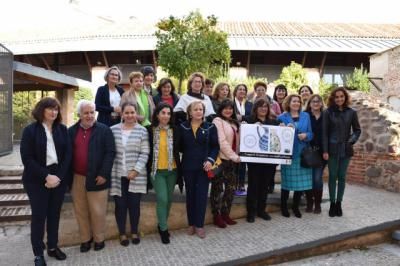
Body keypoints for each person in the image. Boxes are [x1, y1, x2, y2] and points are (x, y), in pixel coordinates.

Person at [20, 97, 71, 266]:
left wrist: (59, 177)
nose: (54, 112)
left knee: (54, 215)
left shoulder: (63, 130)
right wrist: (46, 176)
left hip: (58, 177)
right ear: (41, 110)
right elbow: (27, 159)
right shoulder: (30, 131)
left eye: (56, 109)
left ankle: (52, 247)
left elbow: (68, 156)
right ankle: (38, 253)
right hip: (36, 180)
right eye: (50, 108)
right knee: (39, 216)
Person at [68, 100, 116, 252]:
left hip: (98, 177)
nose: (89, 116)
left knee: (98, 211)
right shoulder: (71, 131)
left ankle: (99, 239)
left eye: (91, 112)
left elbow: (110, 153)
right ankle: (85, 240)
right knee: (81, 210)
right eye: (86, 113)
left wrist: (104, 173)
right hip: (77, 177)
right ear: (79, 114)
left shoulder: (104, 130)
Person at [110, 102, 149, 246]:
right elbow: (109, 152)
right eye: (126, 113)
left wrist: (136, 170)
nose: (130, 115)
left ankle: (134, 231)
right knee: (120, 205)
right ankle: (122, 234)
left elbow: (145, 152)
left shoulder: (142, 131)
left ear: (136, 114)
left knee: (134, 205)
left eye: (132, 112)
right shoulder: (112, 130)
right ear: (122, 114)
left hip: (136, 175)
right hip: (117, 173)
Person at [179, 101, 219, 238]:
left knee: (201, 196)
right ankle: (191, 224)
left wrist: (210, 160)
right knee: (190, 196)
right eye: (195, 109)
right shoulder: (182, 127)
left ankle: (200, 225)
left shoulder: (210, 127)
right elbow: (178, 146)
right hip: (188, 167)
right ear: (189, 112)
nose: (198, 112)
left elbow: (215, 147)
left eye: (200, 109)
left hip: (204, 167)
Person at [322, 87, 361, 217]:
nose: (339, 99)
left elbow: (357, 130)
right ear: (333, 98)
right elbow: (324, 133)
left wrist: (351, 141)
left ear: (345, 98)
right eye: (337, 97)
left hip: (346, 148)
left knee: (342, 176)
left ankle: (339, 203)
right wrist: (325, 150)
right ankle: (332, 204)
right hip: (332, 149)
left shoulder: (352, 112)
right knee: (333, 176)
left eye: (341, 96)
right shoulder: (328, 112)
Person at [148, 103, 182, 244]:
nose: (166, 116)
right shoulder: (149, 130)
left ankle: (162, 223)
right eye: (163, 113)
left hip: (172, 171)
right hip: (157, 172)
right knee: (162, 199)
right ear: (157, 114)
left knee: (168, 200)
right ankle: (163, 228)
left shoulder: (176, 130)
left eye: (168, 113)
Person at [243, 98, 280, 223]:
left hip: (269, 161)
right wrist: (251, 126)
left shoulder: (274, 122)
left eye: (266, 106)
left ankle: (261, 210)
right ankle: (251, 212)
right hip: (254, 160)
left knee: (265, 185)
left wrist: (285, 128)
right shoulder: (249, 120)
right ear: (256, 108)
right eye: (260, 106)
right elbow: (243, 131)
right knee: (253, 185)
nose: (263, 109)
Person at [278, 94, 313, 219]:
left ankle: (295, 207)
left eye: (298, 101)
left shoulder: (306, 116)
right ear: (288, 102)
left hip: (302, 154)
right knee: (286, 183)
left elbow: (311, 133)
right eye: (294, 101)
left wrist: (306, 136)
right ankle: (283, 207)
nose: (296, 103)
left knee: (300, 185)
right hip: (288, 154)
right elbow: (277, 136)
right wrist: (281, 129)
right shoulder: (281, 117)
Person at [211, 99, 240, 228]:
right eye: (225, 108)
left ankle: (225, 214)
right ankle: (216, 216)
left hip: (233, 161)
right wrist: (234, 156)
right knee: (217, 189)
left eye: (230, 108)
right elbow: (221, 141)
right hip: (221, 159)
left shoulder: (234, 123)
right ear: (221, 109)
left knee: (231, 188)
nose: (228, 110)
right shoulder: (217, 121)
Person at [305, 94, 326, 214]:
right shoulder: (305, 115)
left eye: (318, 101)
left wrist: (327, 151)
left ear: (321, 103)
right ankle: (309, 202)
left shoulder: (326, 116)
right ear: (310, 103)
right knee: (309, 178)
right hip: (308, 151)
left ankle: (317, 204)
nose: (316, 103)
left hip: (322, 152)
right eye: (313, 101)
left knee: (317, 179)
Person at [232, 83, 253, 195]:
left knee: (243, 160)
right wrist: (237, 119)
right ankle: (232, 184)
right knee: (233, 159)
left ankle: (241, 184)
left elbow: (253, 116)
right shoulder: (230, 103)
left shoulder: (250, 104)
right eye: (239, 89)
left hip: (246, 135)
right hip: (233, 133)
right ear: (235, 91)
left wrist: (243, 118)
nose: (242, 91)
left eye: (244, 90)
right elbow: (228, 115)